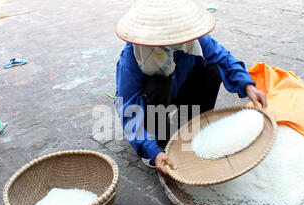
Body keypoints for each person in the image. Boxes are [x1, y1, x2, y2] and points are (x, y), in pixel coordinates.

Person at [114, 0, 267, 176]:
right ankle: (159, 142)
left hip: (179, 95)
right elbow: (129, 106)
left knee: (212, 71)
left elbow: (223, 57)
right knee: (158, 83)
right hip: (154, 107)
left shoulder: (192, 38)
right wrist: (151, 149)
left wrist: (247, 86)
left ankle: (193, 125)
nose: (173, 41)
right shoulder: (133, 56)